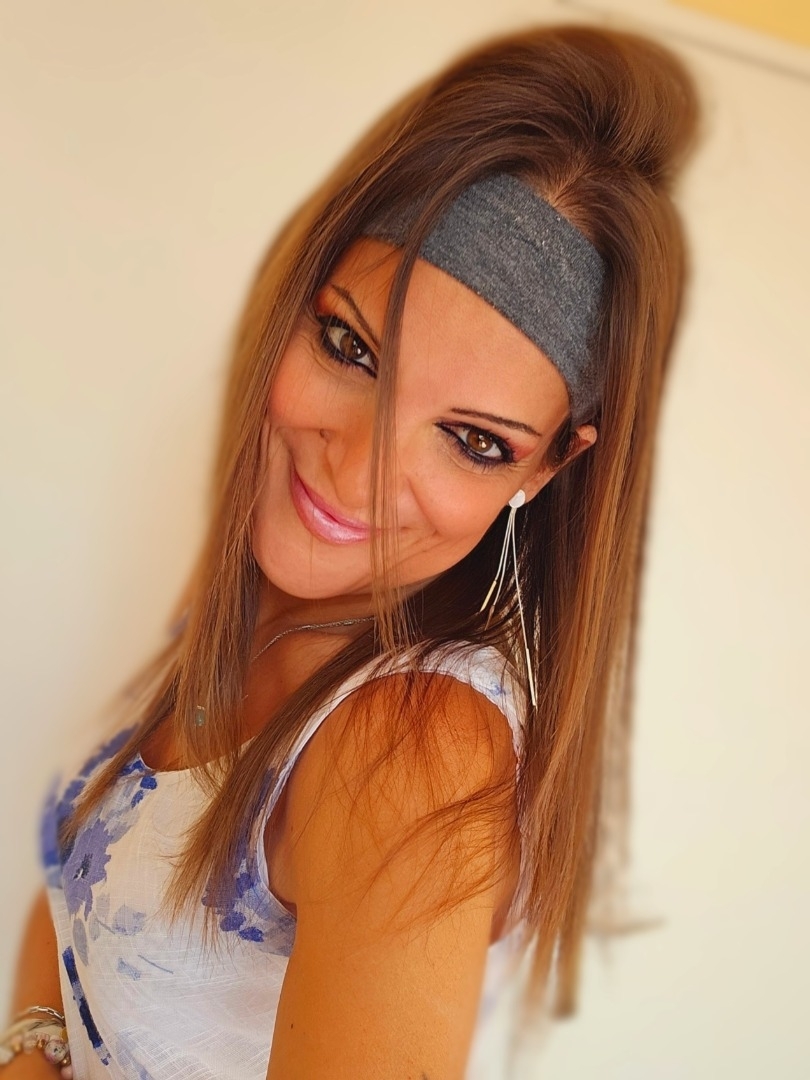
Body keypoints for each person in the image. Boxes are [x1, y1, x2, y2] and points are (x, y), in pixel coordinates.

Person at [4, 22, 697, 1080]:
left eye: (473, 440)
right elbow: (68, 889)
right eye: (351, 348)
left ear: (549, 468)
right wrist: (34, 1047)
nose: (358, 473)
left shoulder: (410, 758)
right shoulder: (251, 591)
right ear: (296, 301)